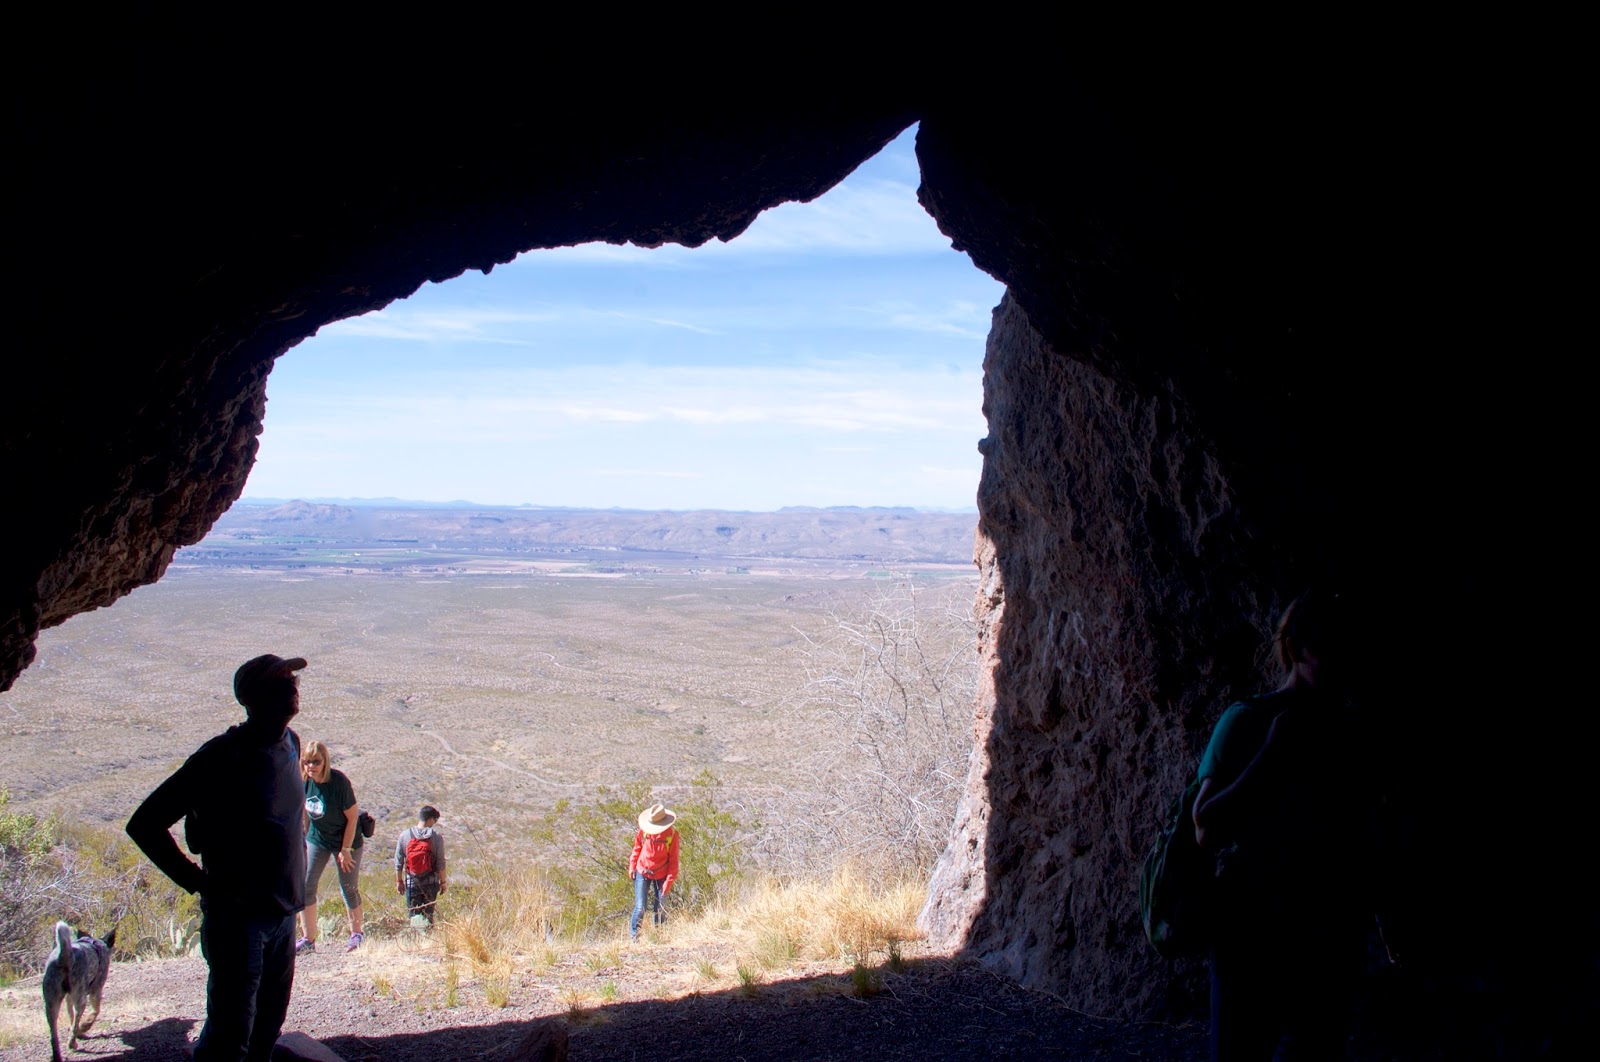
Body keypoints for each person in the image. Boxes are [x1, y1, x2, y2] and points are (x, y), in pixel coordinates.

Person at [1191, 589, 1379, 1061]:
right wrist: (1272, 754)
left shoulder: (1350, 729)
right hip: (1256, 930)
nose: (1346, 662)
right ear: (1297, 651)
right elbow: (1206, 826)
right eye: (1332, 648)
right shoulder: (1249, 723)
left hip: (1326, 929)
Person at [126, 653, 308, 1062]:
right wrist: (197, 880)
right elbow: (145, 823)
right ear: (254, 698)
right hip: (238, 920)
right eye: (281, 682)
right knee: (229, 1033)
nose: (293, 687)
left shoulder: (292, 744)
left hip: (283, 914)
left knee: (267, 1024)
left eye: (292, 680)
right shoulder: (221, 757)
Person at [297, 740, 365, 953]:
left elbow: (353, 818)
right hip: (319, 838)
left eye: (316, 761)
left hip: (346, 840)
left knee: (348, 887)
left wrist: (345, 850)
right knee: (306, 886)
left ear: (325, 761)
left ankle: (357, 934)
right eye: (307, 761)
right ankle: (308, 939)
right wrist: (303, 840)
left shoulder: (338, 783)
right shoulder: (305, 782)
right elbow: (305, 814)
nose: (311, 766)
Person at [627, 803, 680, 941]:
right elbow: (637, 847)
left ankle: (659, 936)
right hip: (642, 871)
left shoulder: (672, 835)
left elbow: (673, 862)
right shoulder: (644, 831)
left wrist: (667, 883)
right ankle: (634, 937)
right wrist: (632, 865)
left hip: (661, 874)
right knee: (640, 907)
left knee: (660, 907)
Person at [394, 805, 447, 926]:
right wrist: (443, 882)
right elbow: (441, 863)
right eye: (435, 820)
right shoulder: (436, 838)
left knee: (413, 917)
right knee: (428, 917)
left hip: (412, 882)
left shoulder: (404, 836)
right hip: (431, 883)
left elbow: (398, 861)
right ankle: (427, 941)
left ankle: (415, 940)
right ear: (430, 819)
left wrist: (399, 881)